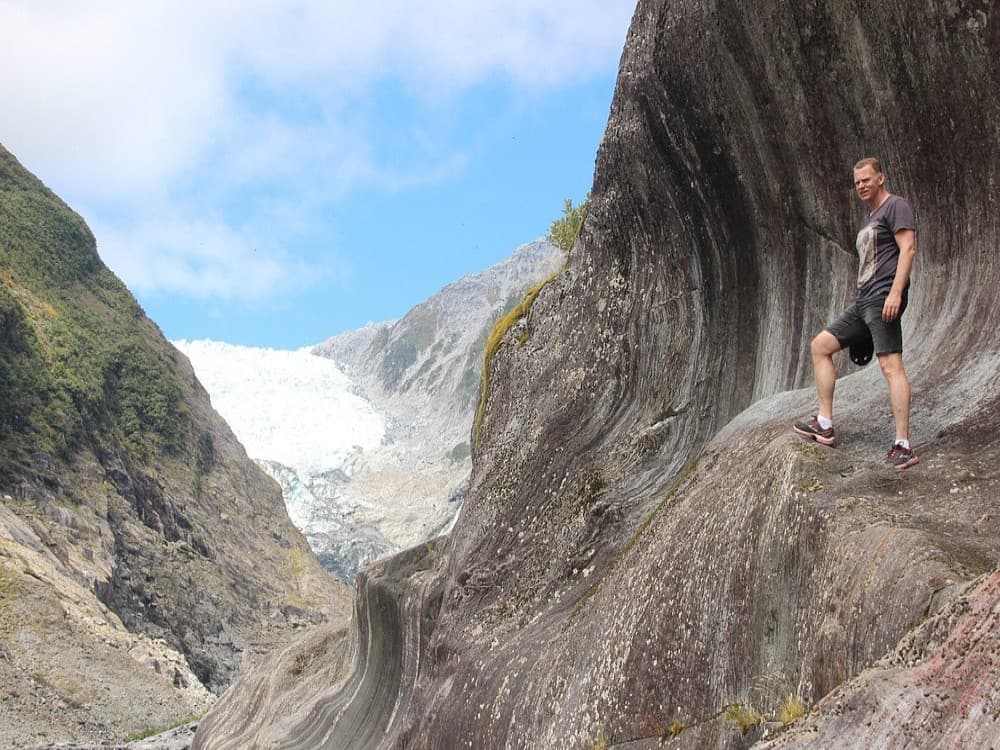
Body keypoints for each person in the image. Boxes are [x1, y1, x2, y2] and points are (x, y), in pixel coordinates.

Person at [793, 157, 919, 469]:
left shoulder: (896, 206)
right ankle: (824, 423)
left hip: (882, 297)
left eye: (866, 179)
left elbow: (908, 249)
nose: (861, 186)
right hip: (863, 301)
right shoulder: (869, 218)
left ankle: (902, 445)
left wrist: (895, 292)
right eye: (857, 182)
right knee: (820, 346)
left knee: (890, 365)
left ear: (881, 179)